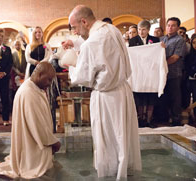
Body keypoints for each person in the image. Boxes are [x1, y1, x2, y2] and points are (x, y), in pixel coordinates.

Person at [66, 5, 141, 179]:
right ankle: (125, 170)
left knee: (108, 137)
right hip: (123, 91)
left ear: (84, 21)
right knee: (122, 135)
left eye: (75, 27)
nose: (75, 32)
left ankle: (110, 172)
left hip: (106, 96)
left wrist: (70, 66)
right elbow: (99, 48)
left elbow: (82, 77)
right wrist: (77, 45)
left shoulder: (91, 43)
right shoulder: (112, 29)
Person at [0, 62, 61, 179]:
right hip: (32, 145)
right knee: (43, 171)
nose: (49, 84)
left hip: (30, 140)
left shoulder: (32, 87)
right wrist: (54, 142)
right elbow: (37, 126)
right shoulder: (28, 93)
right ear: (39, 74)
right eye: (48, 80)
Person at [129, 20, 160, 127]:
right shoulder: (133, 40)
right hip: (139, 72)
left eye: (143, 30)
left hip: (151, 72)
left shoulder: (155, 40)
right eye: (139, 30)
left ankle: (149, 119)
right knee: (140, 96)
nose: (141, 32)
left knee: (151, 96)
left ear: (148, 30)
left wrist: (162, 48)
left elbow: (158, 53)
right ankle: (141, 118)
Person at [159, 17, 186, 126]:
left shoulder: (180, 40)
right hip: (162, 73)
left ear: (177, 27)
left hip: (174, 73)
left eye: (173, 25)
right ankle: (164, 118)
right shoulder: (162, 39)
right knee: (163, 97)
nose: (170, 27)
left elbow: (175, 57)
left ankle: (176, 120)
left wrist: (162, 64)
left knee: (175, 97)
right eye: (168, 25)